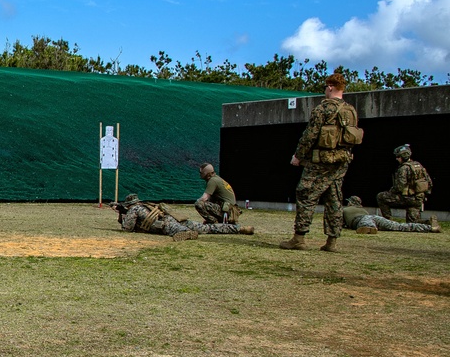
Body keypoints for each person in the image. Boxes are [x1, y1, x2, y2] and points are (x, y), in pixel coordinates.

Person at [280, 72, 361, 253]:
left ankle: (299, 238)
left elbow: (310, 136)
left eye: (326, 87)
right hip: (341, 162)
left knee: (306, 194)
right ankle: (332, 241)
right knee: (334, 198)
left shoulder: (322, 109)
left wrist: (298, 156)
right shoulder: (351, 111)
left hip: (321, 161)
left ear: (330, 87)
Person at [111, 193, 253, 241]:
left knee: (181, 231)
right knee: (208, 228)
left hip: (166, 223)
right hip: (176, 217)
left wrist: (121, 214)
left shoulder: (134, 209)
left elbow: (127, 229)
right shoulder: (146, 205)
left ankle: (187, 234)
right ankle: (239, 228)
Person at [375, 144, 433, 223]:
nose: (396, 159)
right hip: (418, 199)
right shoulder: (419, 166)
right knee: (413, 223)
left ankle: (387, 221)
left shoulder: (403, 168)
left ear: (402, 157)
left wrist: (391, 192)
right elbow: (429, 183)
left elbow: (399, 187)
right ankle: (430, 223)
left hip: (407, 198)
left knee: (381, 196)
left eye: (398, 157)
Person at [343, 196, 440, 234]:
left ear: (351, 203)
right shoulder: (362, 209)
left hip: (362, 219)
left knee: (365, 224)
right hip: (376, 217)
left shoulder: (346, 210)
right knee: (398, 226)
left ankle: (369, 228)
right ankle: (429, 228)